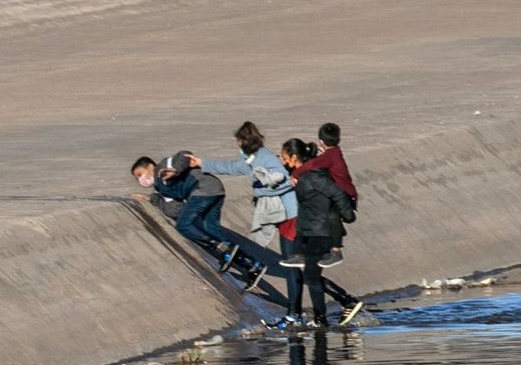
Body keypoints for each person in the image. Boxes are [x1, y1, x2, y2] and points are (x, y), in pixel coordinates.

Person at [130, 153, 267, 289]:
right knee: (211, 230)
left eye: (140, 174)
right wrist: (153, 199)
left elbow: (184, 155)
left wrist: (175, 170)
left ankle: (221, 247)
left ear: (150, 166)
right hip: (214, 190)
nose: (141, 180)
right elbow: (174, 210)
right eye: (138, 178)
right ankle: (252, 266)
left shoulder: (163, 166)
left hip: (202, 189)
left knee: (183, 226)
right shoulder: (161, 188)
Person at [275, 139, 364, 328]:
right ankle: (335, 308)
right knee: (310, 274)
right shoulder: (303, 174)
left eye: (284, 157)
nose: (282, 161)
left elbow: (335, 194)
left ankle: (327, 313)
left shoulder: (310, 176)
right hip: (309, 229)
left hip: (315, 230)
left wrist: (347, 215)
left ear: (294, 157)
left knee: (308, 275)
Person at [187, 121, 296, 249]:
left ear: (245, 142)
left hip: (290, 214)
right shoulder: (252, 160)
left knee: (290, 257)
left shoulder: (266, 158)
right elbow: (230, 167)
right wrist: (200, 163)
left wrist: (261, 191)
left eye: (239, 143)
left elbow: (285, 179)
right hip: (279, 214)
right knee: (275, 250)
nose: (238, 148)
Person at [300, 123, 358, 268]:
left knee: (332, 215)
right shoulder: (333, 154)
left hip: (345, 197)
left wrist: (295, 175)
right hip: (341, 194)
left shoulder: (330, 156)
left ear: (321, 141)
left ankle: (336, 251)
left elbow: (310, 165)